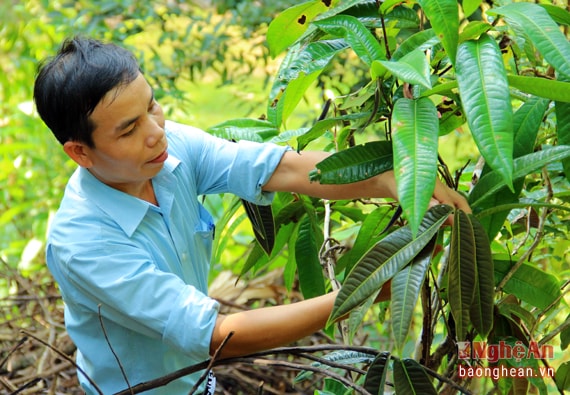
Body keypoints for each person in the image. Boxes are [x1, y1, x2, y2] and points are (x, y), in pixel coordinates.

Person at [34, 36, 471, 394]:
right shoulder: (83, 244)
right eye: (128, 129)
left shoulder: (168, 152)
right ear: (80, 152)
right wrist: (364, 290)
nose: (155, 132)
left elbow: (277, 168)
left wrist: (394, 178)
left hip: (196, 381)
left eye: (152, 106)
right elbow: (218, 336)